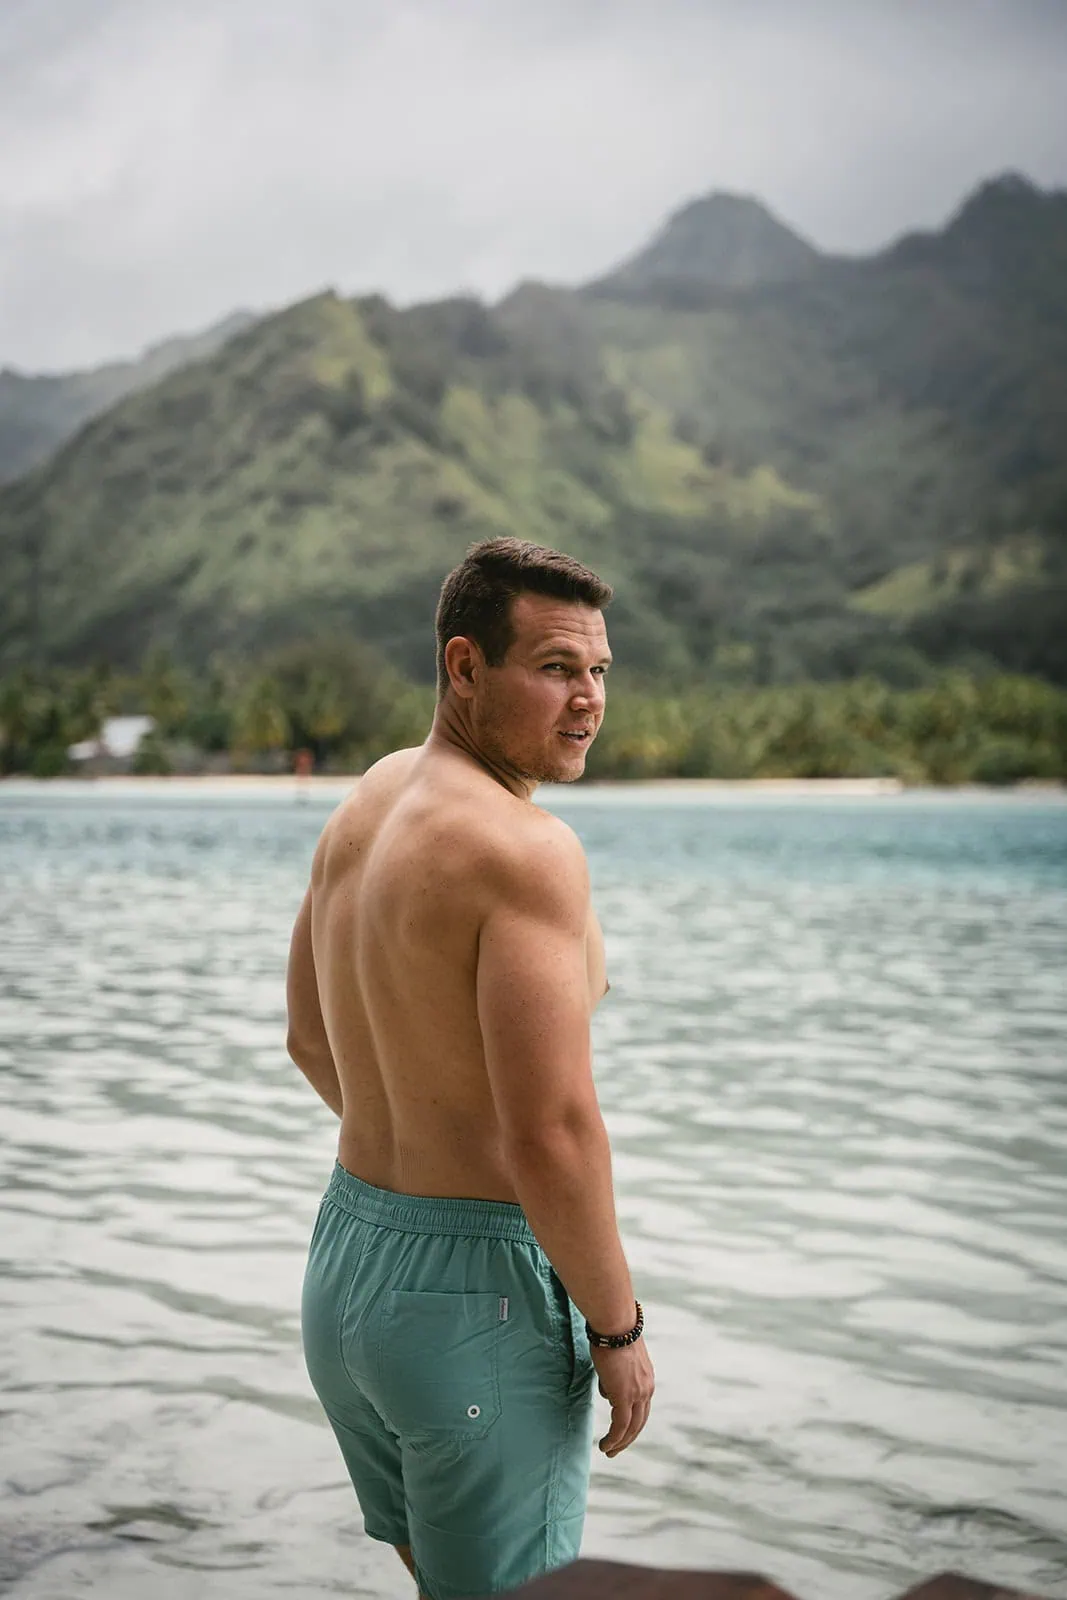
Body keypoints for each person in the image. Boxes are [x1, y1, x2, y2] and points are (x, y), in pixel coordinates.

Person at [288, 538, 654, 1600]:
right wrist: (617, 1326)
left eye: (597, 671)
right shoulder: (524, 849)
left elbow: (308, 1038)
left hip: (349, 1267)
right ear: (462, 665)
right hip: (475, 1304)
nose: (585, 700)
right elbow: (553, 1130)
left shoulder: (368, 799)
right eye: (552, 668)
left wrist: (419, 1151)